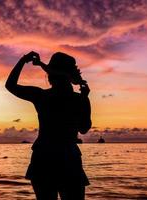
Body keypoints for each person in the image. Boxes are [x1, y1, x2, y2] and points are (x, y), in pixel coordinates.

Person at [5, 51, 92, 200]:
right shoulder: (79, 99)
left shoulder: (41, 96)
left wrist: (23, 60)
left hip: (43, 158)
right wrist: (84, 101)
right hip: (69, 158)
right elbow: (84, 129)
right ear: (70, 77)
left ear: (50, 76)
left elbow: (10, 85)